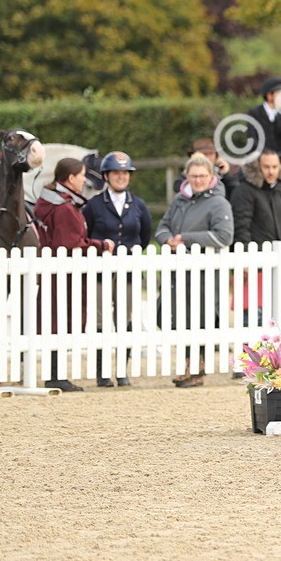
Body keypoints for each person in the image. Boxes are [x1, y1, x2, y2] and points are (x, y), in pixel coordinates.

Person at [34, 158, 115, 391]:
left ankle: (55, 374)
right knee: (62, 321)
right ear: (70, 179)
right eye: (81, 176)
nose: (84, 180)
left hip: (54, 273)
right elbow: (71, 244)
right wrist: (101, 245)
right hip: (66, 276)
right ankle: (56, 375)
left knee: (55, 322)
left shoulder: (51, 202)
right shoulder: (65, 208)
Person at [156, 153, 234, 388]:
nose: (198, 180)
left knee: (198, 321)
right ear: (187, 177)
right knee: (167, 316)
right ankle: (191, 365)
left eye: (202, 176)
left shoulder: (219, 202)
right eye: (193, 176)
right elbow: (162, 226)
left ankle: (195, 368)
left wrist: (185, 239)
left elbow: (224, 236)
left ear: (211, 176)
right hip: (177, 272)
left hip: (204, 276)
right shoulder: (180, 199)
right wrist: (168, 239)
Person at [82, 151, 152, 387]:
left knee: (126, 319)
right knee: (103, 319)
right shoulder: (93, 205)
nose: (121, 177)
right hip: (102, 271)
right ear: (106, 176)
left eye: (125, 173)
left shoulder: (139, 205)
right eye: (116, 173)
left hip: (129, 271)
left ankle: (122, 369)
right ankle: (103, 372)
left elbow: (144, 237)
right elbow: (88, 233)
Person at [231, 149, 281, 247]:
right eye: (266, 167)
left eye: (275, 167)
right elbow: (241, 227)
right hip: (255, 255)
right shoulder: (244, 191)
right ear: (257, 167)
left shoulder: (280, 192)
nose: (271, 172)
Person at [244, 75, 281, 157]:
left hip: (279, 159)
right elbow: (252, 138)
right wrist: (266, 155)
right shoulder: (255, 113)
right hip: (258, 158)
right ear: (269, 96)